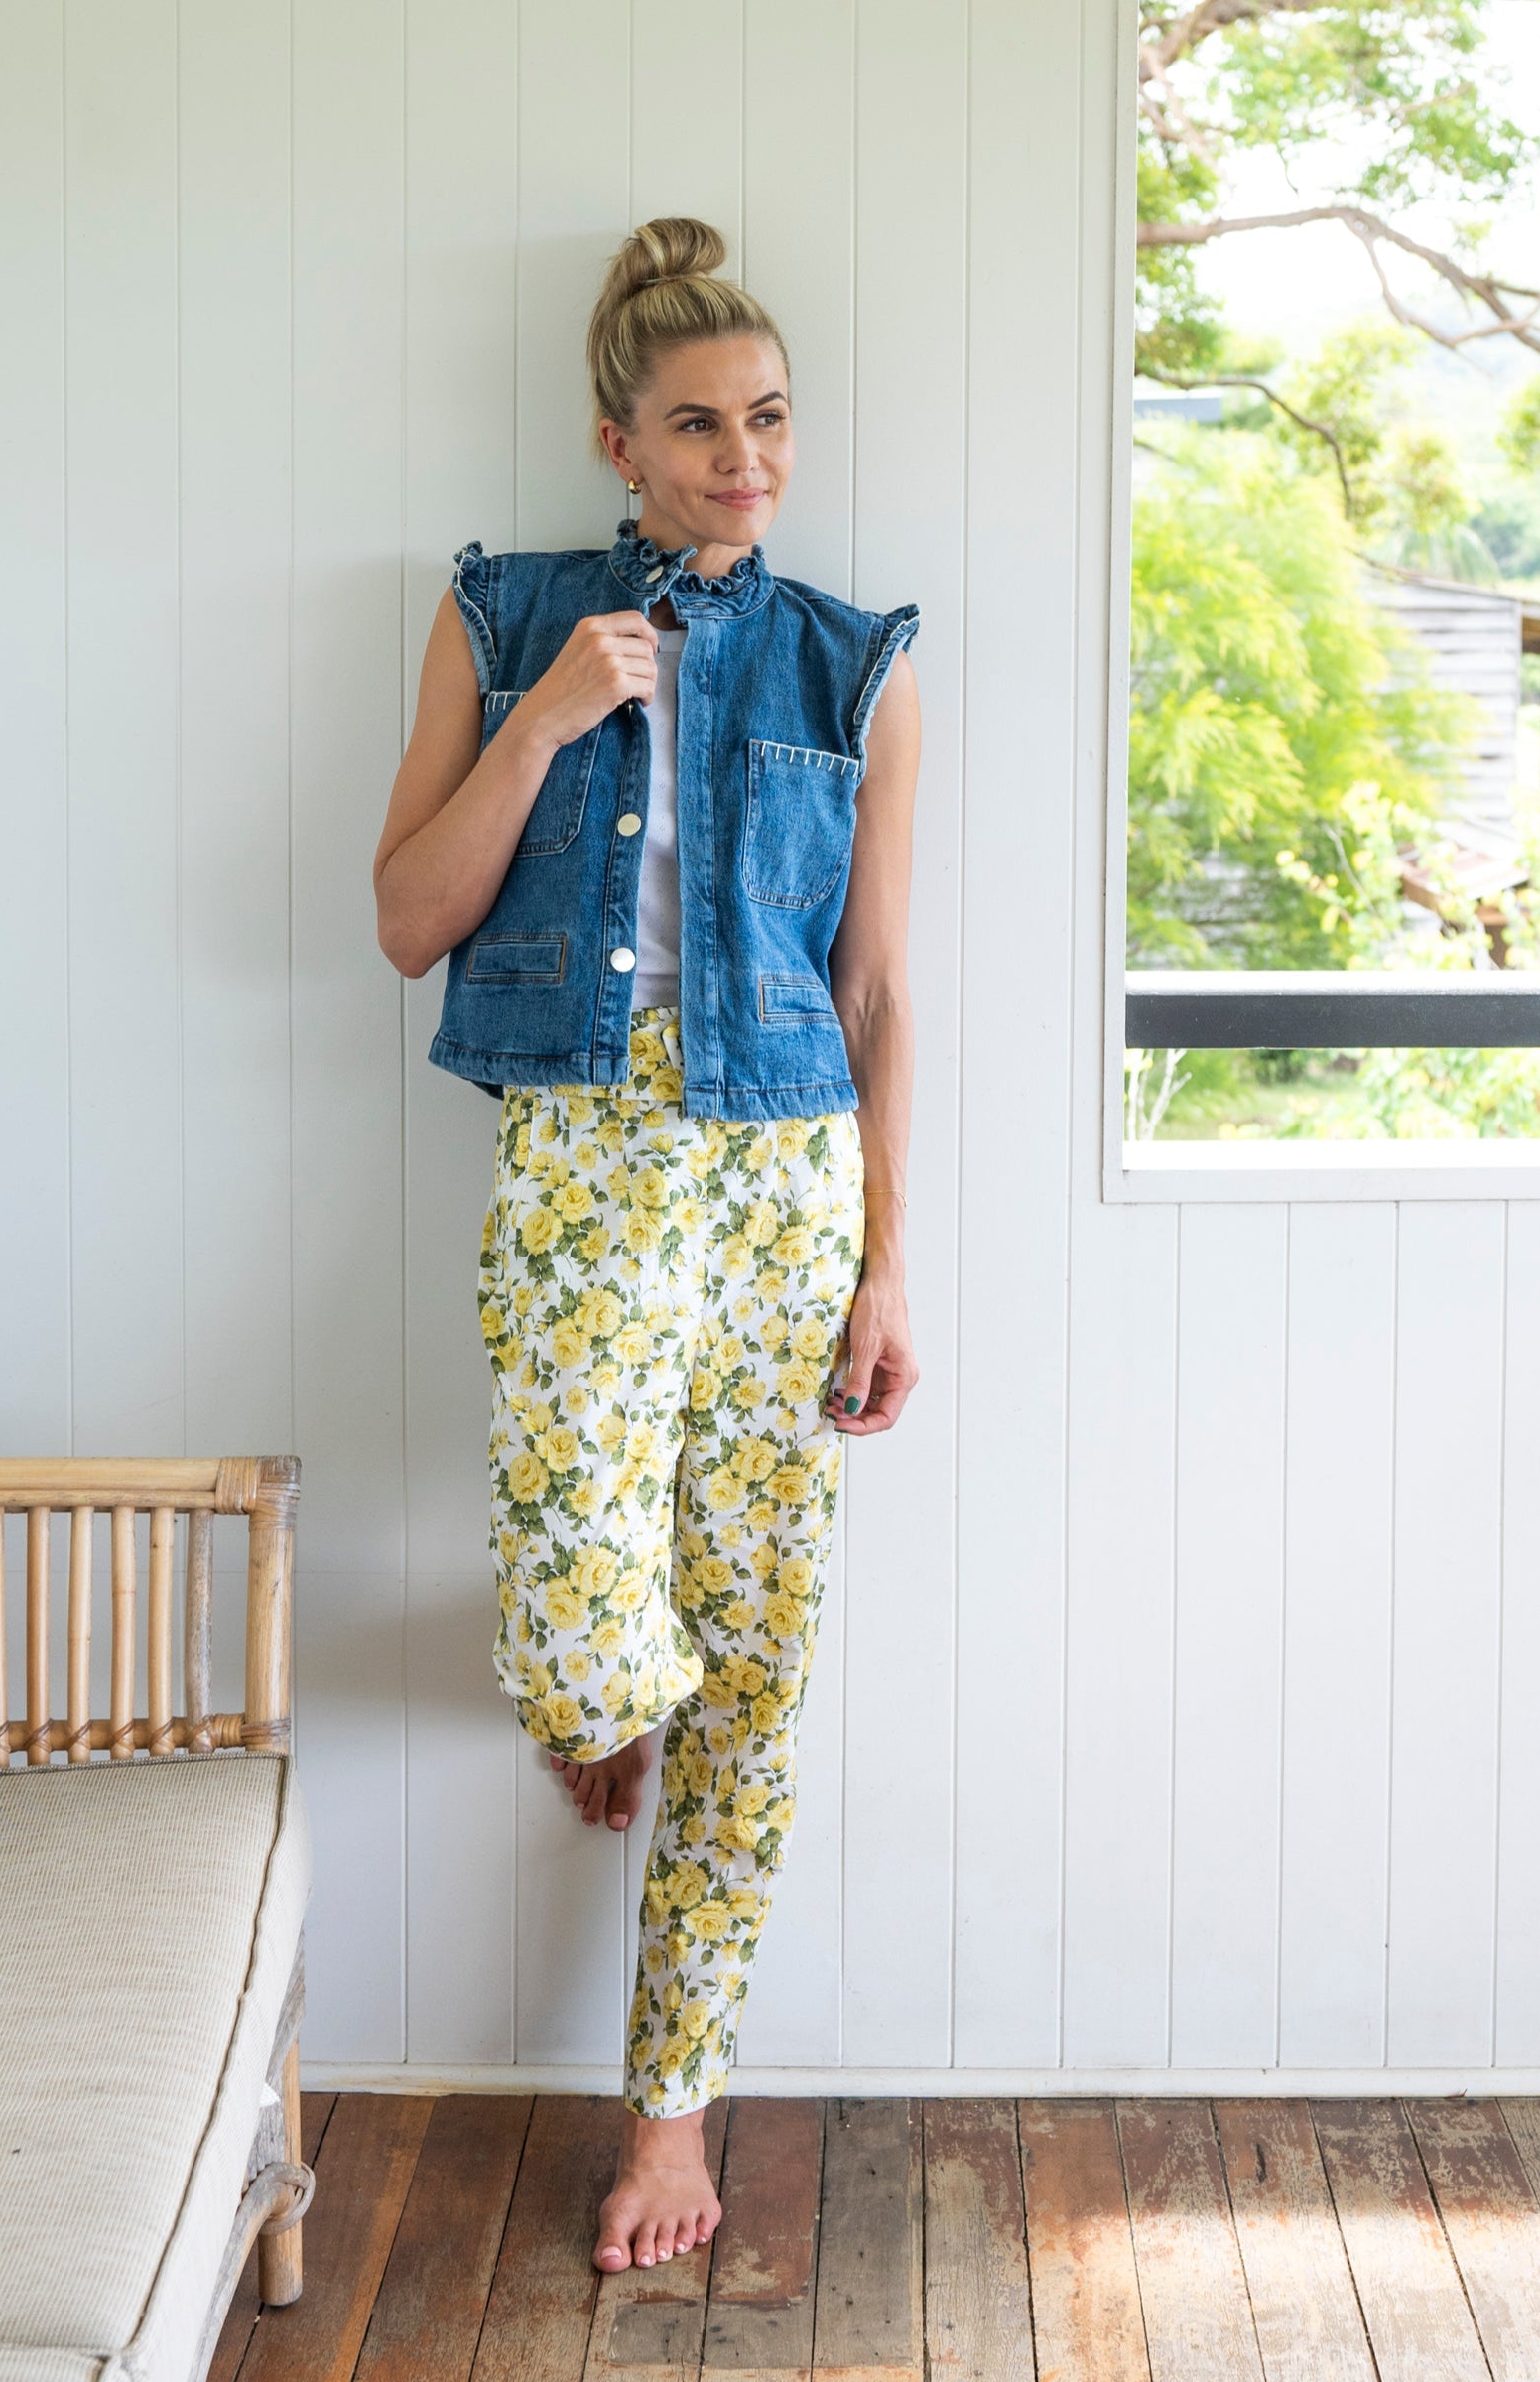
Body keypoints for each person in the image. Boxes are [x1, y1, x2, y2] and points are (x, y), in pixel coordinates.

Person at [371, 217, 921, 2276]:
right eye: (698, 426)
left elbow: (875, 997)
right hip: (592, 1161)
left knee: (756, 1669)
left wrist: (884, 1268)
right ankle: (607, 1700)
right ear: (620, 442)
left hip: (784, 1171)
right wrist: (543, 722)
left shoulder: (856, 660)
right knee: (577, 1602)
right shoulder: (500, 617)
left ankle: (673, 2111)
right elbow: (406, 918)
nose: (743, 460)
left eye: (768, 421)